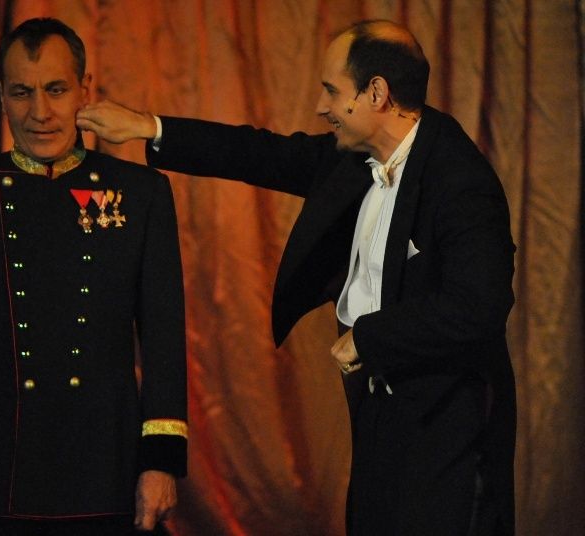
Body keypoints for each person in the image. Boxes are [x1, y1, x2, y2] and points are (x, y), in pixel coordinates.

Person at [77, 19, 516, 536]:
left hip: (449, 427)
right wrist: (149, 127)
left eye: (333, 91)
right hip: (380, 412)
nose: (321, 106)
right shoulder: (356, 159)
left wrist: (369, 338)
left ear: (376, 93)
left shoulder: (460, 179)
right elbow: (260, 153)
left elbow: (479, 306)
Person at [0, 18, 187, 536]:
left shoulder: (141, 193)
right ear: (1, 97)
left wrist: (161, 461)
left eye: (56, 90)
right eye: (22, 92)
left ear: (84, 89)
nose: (40, 112)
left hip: (107, 467)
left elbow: (164, 341)